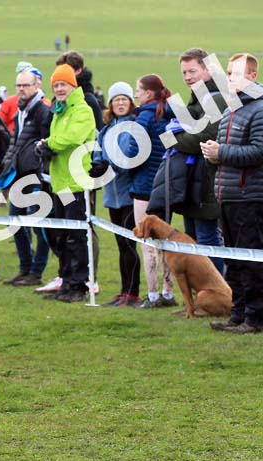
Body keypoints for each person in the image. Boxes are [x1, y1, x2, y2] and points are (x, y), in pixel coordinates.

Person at [205, 53, 263, 334]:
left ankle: (257, 319)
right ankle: (238, 315)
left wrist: (221, 152)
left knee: (251, 260)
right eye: (228, 72)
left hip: (251, 197)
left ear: (252, 77)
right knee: (234, 260)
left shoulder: (262, 111)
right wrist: (213, 155)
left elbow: (260, 152)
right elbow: (231, 153)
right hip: (228, 195)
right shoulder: (229, 111)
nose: (229, 77)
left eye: (235, 73)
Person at [37, 64, 95, 302]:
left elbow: (72, 137)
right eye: (56, 85)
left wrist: (49, 144)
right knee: (61, 235)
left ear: (73, 85)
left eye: (63, 84)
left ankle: (79, 285)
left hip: (76, 182)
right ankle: (66, 281)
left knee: (76, 236)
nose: (59, 89)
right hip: (60, 181)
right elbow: (57, 138)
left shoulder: (82, 110)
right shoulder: (59, 111)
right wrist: (45, 145)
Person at [170, 48, 226, 274]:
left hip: (208, 184)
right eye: (184, 73)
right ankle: (201, 300)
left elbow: (202, 139)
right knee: (192, 242)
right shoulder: (197, 98)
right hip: (192, 184)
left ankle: (220, 294)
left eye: (192, 71)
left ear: (207, 70)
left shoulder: (217, 98)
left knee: (207, 240)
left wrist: (173, 137)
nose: (188, 77)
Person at [91, 82, 141, 306]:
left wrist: (108, 165)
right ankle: (123, 291)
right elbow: (98, 153)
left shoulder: (134, 126)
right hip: (112, 196)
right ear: (110, 104)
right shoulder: (106, 129)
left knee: (130, 245)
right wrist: (96, 165)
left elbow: (129, 158)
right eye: (116, 100)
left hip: (130, 194)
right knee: (121, 245)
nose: (120, 103)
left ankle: (132, 293)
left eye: (124, 99)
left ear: (131, 102)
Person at [0, 68, 51, 287]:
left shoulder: (43, 111)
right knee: (16, 223)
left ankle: (36, 271)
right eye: (18, 85)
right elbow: (15, 142)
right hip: (19, 176)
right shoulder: (20, 110)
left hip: (36, 178)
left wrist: (42, 174)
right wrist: (6, 171)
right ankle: (24, 268)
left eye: (25, 85)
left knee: (39, 226)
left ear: (37, 85)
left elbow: (47, 143)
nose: (21, 89)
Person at [129, 74, 176, 309]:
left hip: (144, 186)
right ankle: (169, 292)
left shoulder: (144, 118)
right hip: (167, 185)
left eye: (138, 90)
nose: (136, 94)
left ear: (148, 93)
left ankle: (153, 294)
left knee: (146, 242)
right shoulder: (171, 114)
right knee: (165, 241)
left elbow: (131, 153)